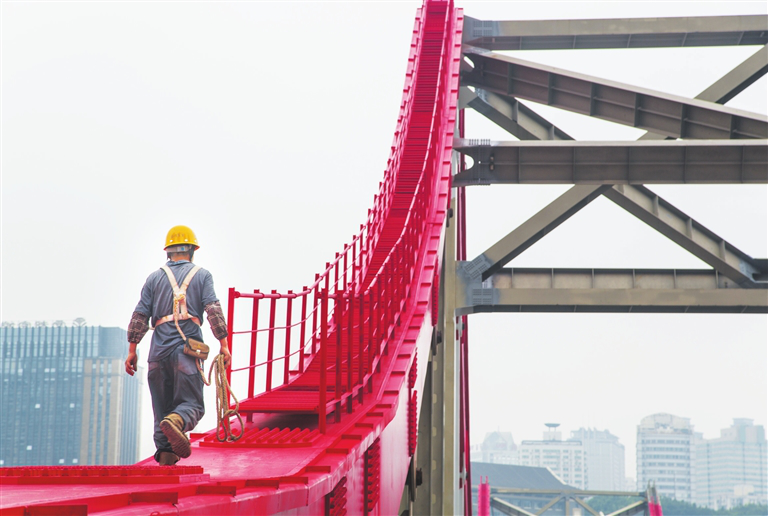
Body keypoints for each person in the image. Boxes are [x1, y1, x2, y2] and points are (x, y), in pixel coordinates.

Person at [124, 225, 231, 466]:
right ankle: (178, 421)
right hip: (187, 351)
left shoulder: (154, 278)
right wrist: (223, 344)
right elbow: (213, 310)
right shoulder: (202, 275)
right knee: (191, 405)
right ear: (192, 251)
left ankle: (165, 461)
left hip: (157, 354)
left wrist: (132, 350)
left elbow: (140, 315)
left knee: (161, 410)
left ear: (168, 252)